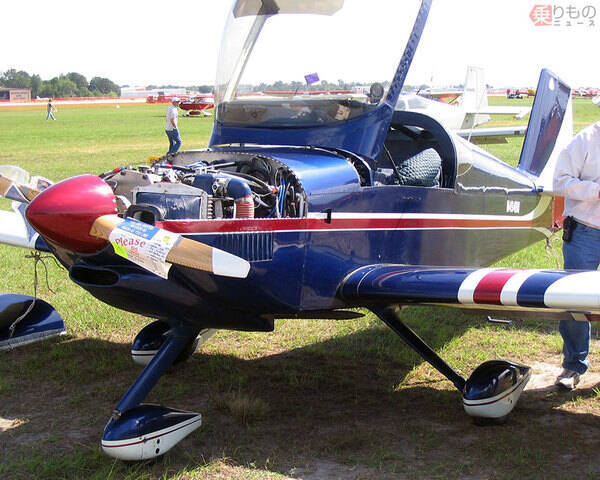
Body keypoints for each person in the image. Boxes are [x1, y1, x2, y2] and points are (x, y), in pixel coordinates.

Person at [553, 120, 600, 389]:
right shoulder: (585, 139)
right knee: (574, 298)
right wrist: (596, 191)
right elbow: (560, 182)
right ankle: (573, 365)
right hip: (584, 231)